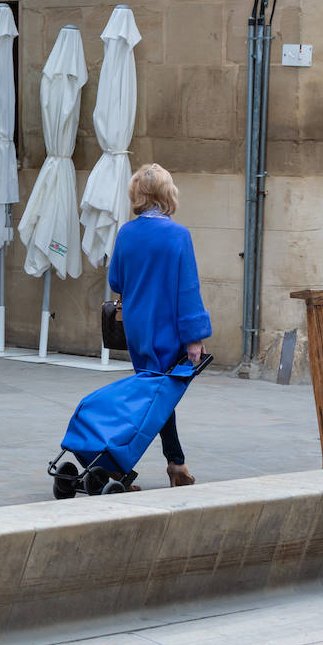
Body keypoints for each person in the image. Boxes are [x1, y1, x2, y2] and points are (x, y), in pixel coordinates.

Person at [108, 163, 211, 487]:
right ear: (167, 194)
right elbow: (188, 289)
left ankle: (174, 463)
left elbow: (116, 280)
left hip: (138, 327)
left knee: (154, 394)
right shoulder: (178, 235)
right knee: (156, 399)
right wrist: (194, 338)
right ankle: (118, 463)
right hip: (168, 330)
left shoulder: (126, 233)